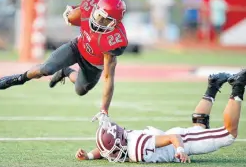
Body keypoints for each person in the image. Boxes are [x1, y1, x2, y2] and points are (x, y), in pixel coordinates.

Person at [0, 0, 128, 122]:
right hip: (77, 48)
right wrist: (71, 15)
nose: (99, 21)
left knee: (80, 90)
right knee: (46, 68)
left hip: (94, 65)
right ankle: (20, 78)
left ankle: (66, 72)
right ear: (96, 9)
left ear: (115, 23)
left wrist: (104, 110)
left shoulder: (115, 40)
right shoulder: (89, 6)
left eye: (105, 20)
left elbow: (108, 77)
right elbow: (71, 17)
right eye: (99, 15)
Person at [75, 70, 246, 163]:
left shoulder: (136, 148)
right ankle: (213, 85)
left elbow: (174, 137)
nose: (110, 155)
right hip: (173, 139)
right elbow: (105, 150)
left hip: (183, 142)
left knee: (229, 135)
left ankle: (238, 86)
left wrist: (180, 151)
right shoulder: (122, 140)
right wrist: (89, 155)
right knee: (199, 126)